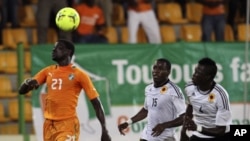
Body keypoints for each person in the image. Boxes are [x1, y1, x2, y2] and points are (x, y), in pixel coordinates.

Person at [18, 39, 111, 141]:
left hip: (67, 125)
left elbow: (96, 103)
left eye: (59, 48)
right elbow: (21, 91)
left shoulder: (79, 74)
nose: (54, 50)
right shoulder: (48, 71)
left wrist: (104, 129)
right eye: (54, 48)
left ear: (68, 52)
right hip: (49, 125)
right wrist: (27, 82)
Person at [118, 58, 186, 141]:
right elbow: (146, 110)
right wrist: (128, 122)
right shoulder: (148, 88)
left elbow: (184, 117)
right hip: (147, 136)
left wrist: (164, 125)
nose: (156, 71)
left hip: (166, 138)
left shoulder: (174, 91)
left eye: (160, 69)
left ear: (168, 72)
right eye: (155, 67)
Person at [180, 57, 232, 141]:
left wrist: (197, 128)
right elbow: (190, 108)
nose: (193, 74)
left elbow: (221, 130)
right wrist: (183, 132)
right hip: (199, 134)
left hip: (219, 136)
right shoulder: (189, 87)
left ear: (208, 77)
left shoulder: (221, 95)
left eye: (198, 73)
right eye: (195, 71)